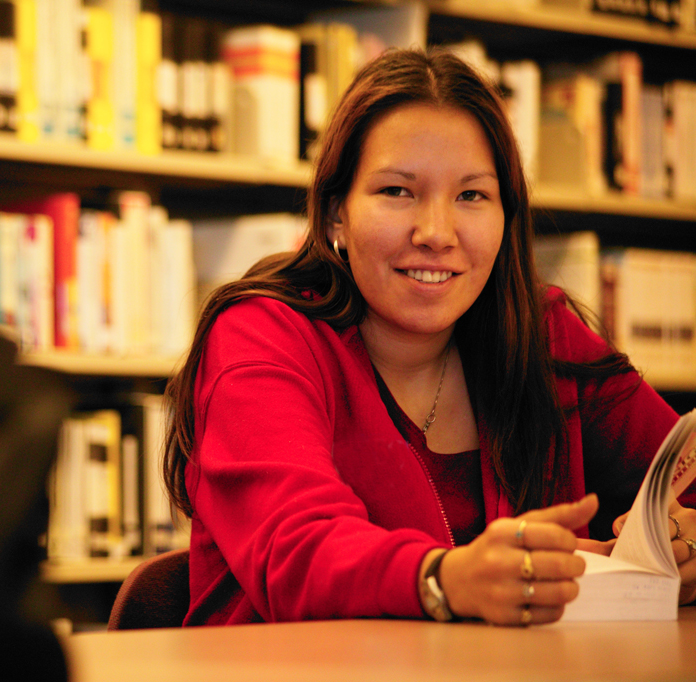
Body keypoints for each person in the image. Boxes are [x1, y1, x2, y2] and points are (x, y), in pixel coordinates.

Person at [162, 48, 696, 627]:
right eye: (397, 192)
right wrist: (447, 580)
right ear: (336, 210)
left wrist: (686, 542)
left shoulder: (540, 334)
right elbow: (300, 551)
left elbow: (684, 472)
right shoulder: (263, 335)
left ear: (505, 215)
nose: (436, 233)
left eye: (471, 195)